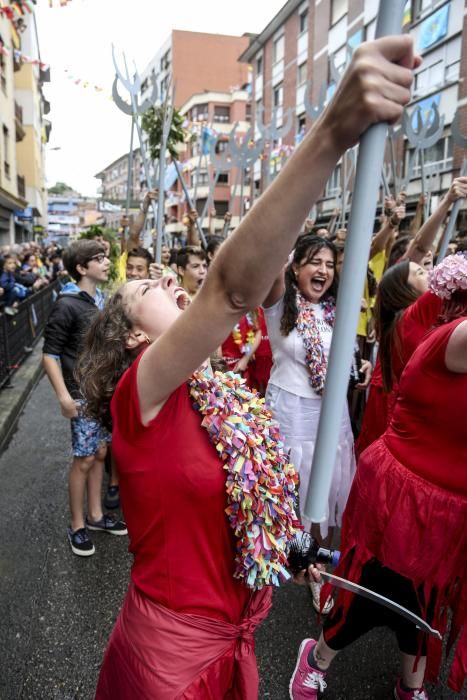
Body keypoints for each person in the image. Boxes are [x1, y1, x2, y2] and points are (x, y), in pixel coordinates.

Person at [76, 36, 419, 698]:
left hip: (236, 645)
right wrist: (330, 131)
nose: (175, 286)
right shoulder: (138, 394)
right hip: (168, 666)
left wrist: (283, 550)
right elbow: (236, 292)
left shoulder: (215, 394)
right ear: (127, 339)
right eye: (151, 291)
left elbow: (223, 508)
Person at [290, 254, 467, 699]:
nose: (424, 273)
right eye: (417, 274)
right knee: (380, 590)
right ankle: (317, 657)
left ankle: (409, 683)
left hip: (449, 501)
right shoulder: (438, 330)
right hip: (407, 492)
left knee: (423, 598)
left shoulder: (434, 320)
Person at [262, 235, 371, 613]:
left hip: (332, 413)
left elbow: (344, 356)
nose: (322, 270)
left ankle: (317, 567)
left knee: (327, 489)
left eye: (328, 264)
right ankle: (273, 558)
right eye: (313, 262)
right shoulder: (279, 303)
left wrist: (360, 365)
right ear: (294, 267)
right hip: (290, 412)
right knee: (287, 488)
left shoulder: (333, 311)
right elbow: (271, 255)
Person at [357, 176, 467, 455]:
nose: (429, 272)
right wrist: (447, 202)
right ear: (402, 290)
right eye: (420, 272)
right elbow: (419, 249)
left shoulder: (413, 314)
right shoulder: (411, 316)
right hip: (396, 410)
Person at [42, 240, 127, 556]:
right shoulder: (67, 304)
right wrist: (64, 397)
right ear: (81, 268)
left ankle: (95, 516)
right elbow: (49, 355)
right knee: (85, 458)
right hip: (81, 394)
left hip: (102, 392)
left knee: (100, 454)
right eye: (99, 259)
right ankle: (77, 525)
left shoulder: (99, 297)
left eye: (106, 257)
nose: (107, 262)